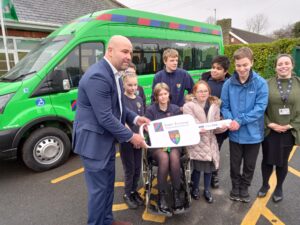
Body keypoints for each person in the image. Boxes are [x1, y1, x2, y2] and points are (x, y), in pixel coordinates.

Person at [72, 35, 150, 225]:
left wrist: (136, 118)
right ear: (110, 51)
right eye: (124, 51)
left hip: (104, 141)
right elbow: (105, 116)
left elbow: (120, 106)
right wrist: (132, 136)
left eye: (131, 52)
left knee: (107, 187)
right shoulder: (98, 75)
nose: (129, 56)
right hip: (93, 143)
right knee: (99, 192)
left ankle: (107, 221)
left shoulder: (114, 73)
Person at [221, 47, 269, 203]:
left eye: (245, 64)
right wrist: (231, 120)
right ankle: (235, 188)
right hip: (235, 133)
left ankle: (245, 188)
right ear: (235, 65)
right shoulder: (228, 84)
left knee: (249, 165)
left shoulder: (260, 83)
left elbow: (260, 108)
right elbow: (224, 106)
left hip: (253, 134)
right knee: (235, 164)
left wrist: (239, 121)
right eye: (238, 65)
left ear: (252, 63)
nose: (242, 68)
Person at [257, 54, 300, 203]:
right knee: (267, 160)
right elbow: (259, 107)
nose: (283, 66)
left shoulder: (298, 83)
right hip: (270, 130)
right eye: (280, 64)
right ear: (275, 67)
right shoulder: (266, 83)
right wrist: (269, 123)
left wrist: (291, 125)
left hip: (288, 130)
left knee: (282, 161)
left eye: (286, 63)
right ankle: (264, 185)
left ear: (292, 65)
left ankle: (279, 187)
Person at [183, 81, 227, 203]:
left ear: (209, 92)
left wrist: (221, 127)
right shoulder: (188, 106)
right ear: (194, 93)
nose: (203, 93)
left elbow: (216, 124)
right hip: (197, 142)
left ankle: (207, 190)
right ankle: (195, 188)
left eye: (205, 91)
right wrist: (198, 128)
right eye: (200, 91)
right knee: (197, 168)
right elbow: (191, 122)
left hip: (210, 141)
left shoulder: (215, 106)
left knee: (209, 168)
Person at [145, 82, 184, 216]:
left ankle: (176, 194)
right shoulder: (150, 110)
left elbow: (180, 129)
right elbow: (149, 132)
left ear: (169, 94)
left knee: (173, 156)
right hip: (157, 145)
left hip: (173, 142)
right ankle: (161, 197)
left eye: (165, 94)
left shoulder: (175, 109)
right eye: (160, 94)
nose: (163, 97)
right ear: (156, 96)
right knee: (164, 157)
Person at [201, 55, 231, 188]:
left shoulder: (229, 84)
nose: (214, 70)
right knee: (200, 148)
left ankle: (214, 174)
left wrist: (223, 118)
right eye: (213, 67)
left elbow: (230, 104)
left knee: (215, 149)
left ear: (225, 71)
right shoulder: (205, 80)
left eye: (218, 69)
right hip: (202, 122)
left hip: (218, 124)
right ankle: (196, 174)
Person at [119, 69, 145, 209]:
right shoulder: (121, 100)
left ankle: (134, 191)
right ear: (123, 85)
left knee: (137, 168)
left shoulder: (139, 99)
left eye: (135, 85)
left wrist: (141, 137)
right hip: (127, 141)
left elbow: (141, 119)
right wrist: (131, 138)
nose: (133, 88)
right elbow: (122, 121)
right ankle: (127, 194)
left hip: (139, 140)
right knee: (129, 169)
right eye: (130, 85)